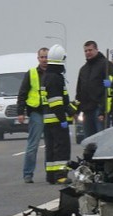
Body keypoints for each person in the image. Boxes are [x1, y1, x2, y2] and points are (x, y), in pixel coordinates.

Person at [42, 44, 76, 184]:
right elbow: (56, 102)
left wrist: (71, 107)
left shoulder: (46, 76)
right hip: (57, 120)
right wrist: (63, 118)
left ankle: (51, 176)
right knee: (61, 148)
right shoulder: (56, 77)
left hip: (48, 120)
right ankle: (61, 175)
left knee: (51, 149)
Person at [17, 47, 49, 183]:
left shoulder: (55, 73)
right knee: (33, 145)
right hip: (36, 112)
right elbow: (22, 93)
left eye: (46, 57)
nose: (44, 60)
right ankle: (28, 174)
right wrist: (20, 112)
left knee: (51, 145)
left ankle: (51, 173)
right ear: (38, 59)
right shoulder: (31, 74)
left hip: (51, 112)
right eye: (42, 57)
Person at [75, 40, 108, 138]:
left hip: (99, 109)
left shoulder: (105, 65)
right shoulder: (83, 69)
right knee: (89, 140)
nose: (88, 53)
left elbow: (110, 90)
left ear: (97, 50)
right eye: (86, 51)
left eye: (90, 50)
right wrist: (77, 110)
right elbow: (79, 91)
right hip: (86, 110)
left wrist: (103, 109)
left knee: (101, 138)